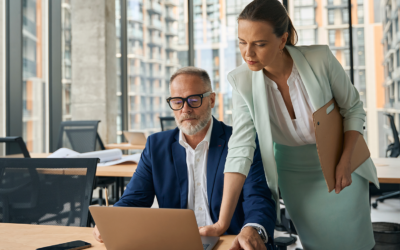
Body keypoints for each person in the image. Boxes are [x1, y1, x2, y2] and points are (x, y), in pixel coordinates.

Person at [199, 1, 380, 250]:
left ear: (282, 40)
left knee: (357, 244)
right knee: (315, 245)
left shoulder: (320, 59)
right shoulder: (242, 82)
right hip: (294, 176)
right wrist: (221, 223)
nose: (248, 54)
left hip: (342, 164)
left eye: (259, 44)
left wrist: (346, 162)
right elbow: (240, 149)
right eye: (242, 42)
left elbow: (353, 109)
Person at [92, 67, 277, 250]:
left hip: (228, 243)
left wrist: (252, 229)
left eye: (194, 100)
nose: (185, 109)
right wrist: (110, 219)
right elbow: (134, 199)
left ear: (211, 100)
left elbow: (257, 198)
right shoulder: (156, 146)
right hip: (175, 244)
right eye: (177, 101)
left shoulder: (240, 141)